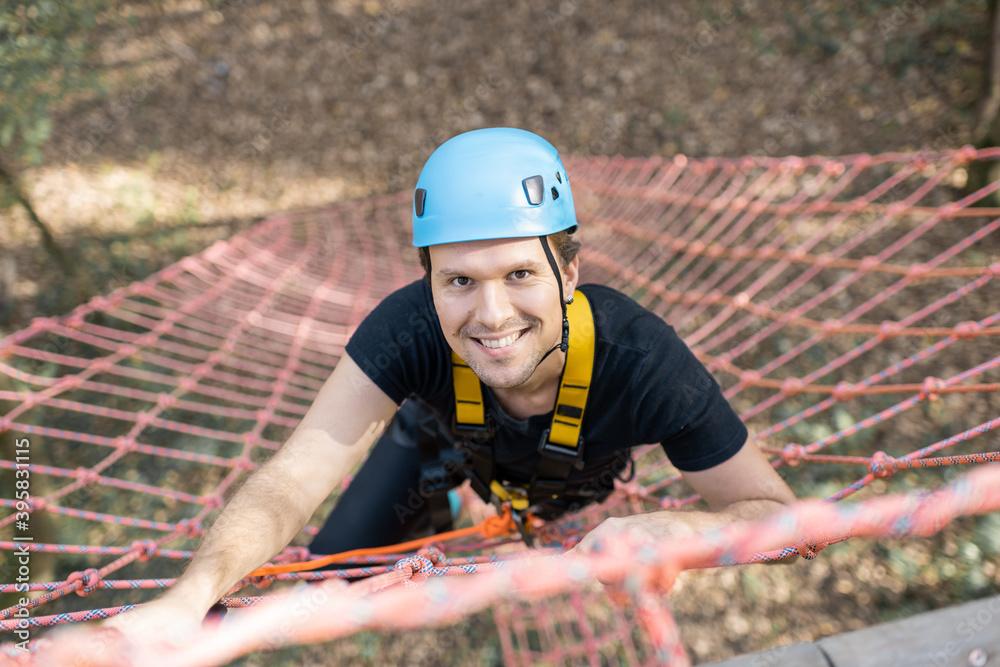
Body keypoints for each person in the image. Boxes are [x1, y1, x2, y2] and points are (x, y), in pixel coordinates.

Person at [107, 127, 795, 641]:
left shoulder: (643, 361)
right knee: (327, 585)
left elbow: (779, 516)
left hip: (576, 478)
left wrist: (677, 527)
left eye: (520, 274)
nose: (492, 317)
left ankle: (478, 515)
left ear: (570, 274)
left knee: (539, 521)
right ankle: (459, 509)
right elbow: (292, 478)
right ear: (428, 281)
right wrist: (188, 596)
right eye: (460, 281)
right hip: (440, 444)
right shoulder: (405, 329)